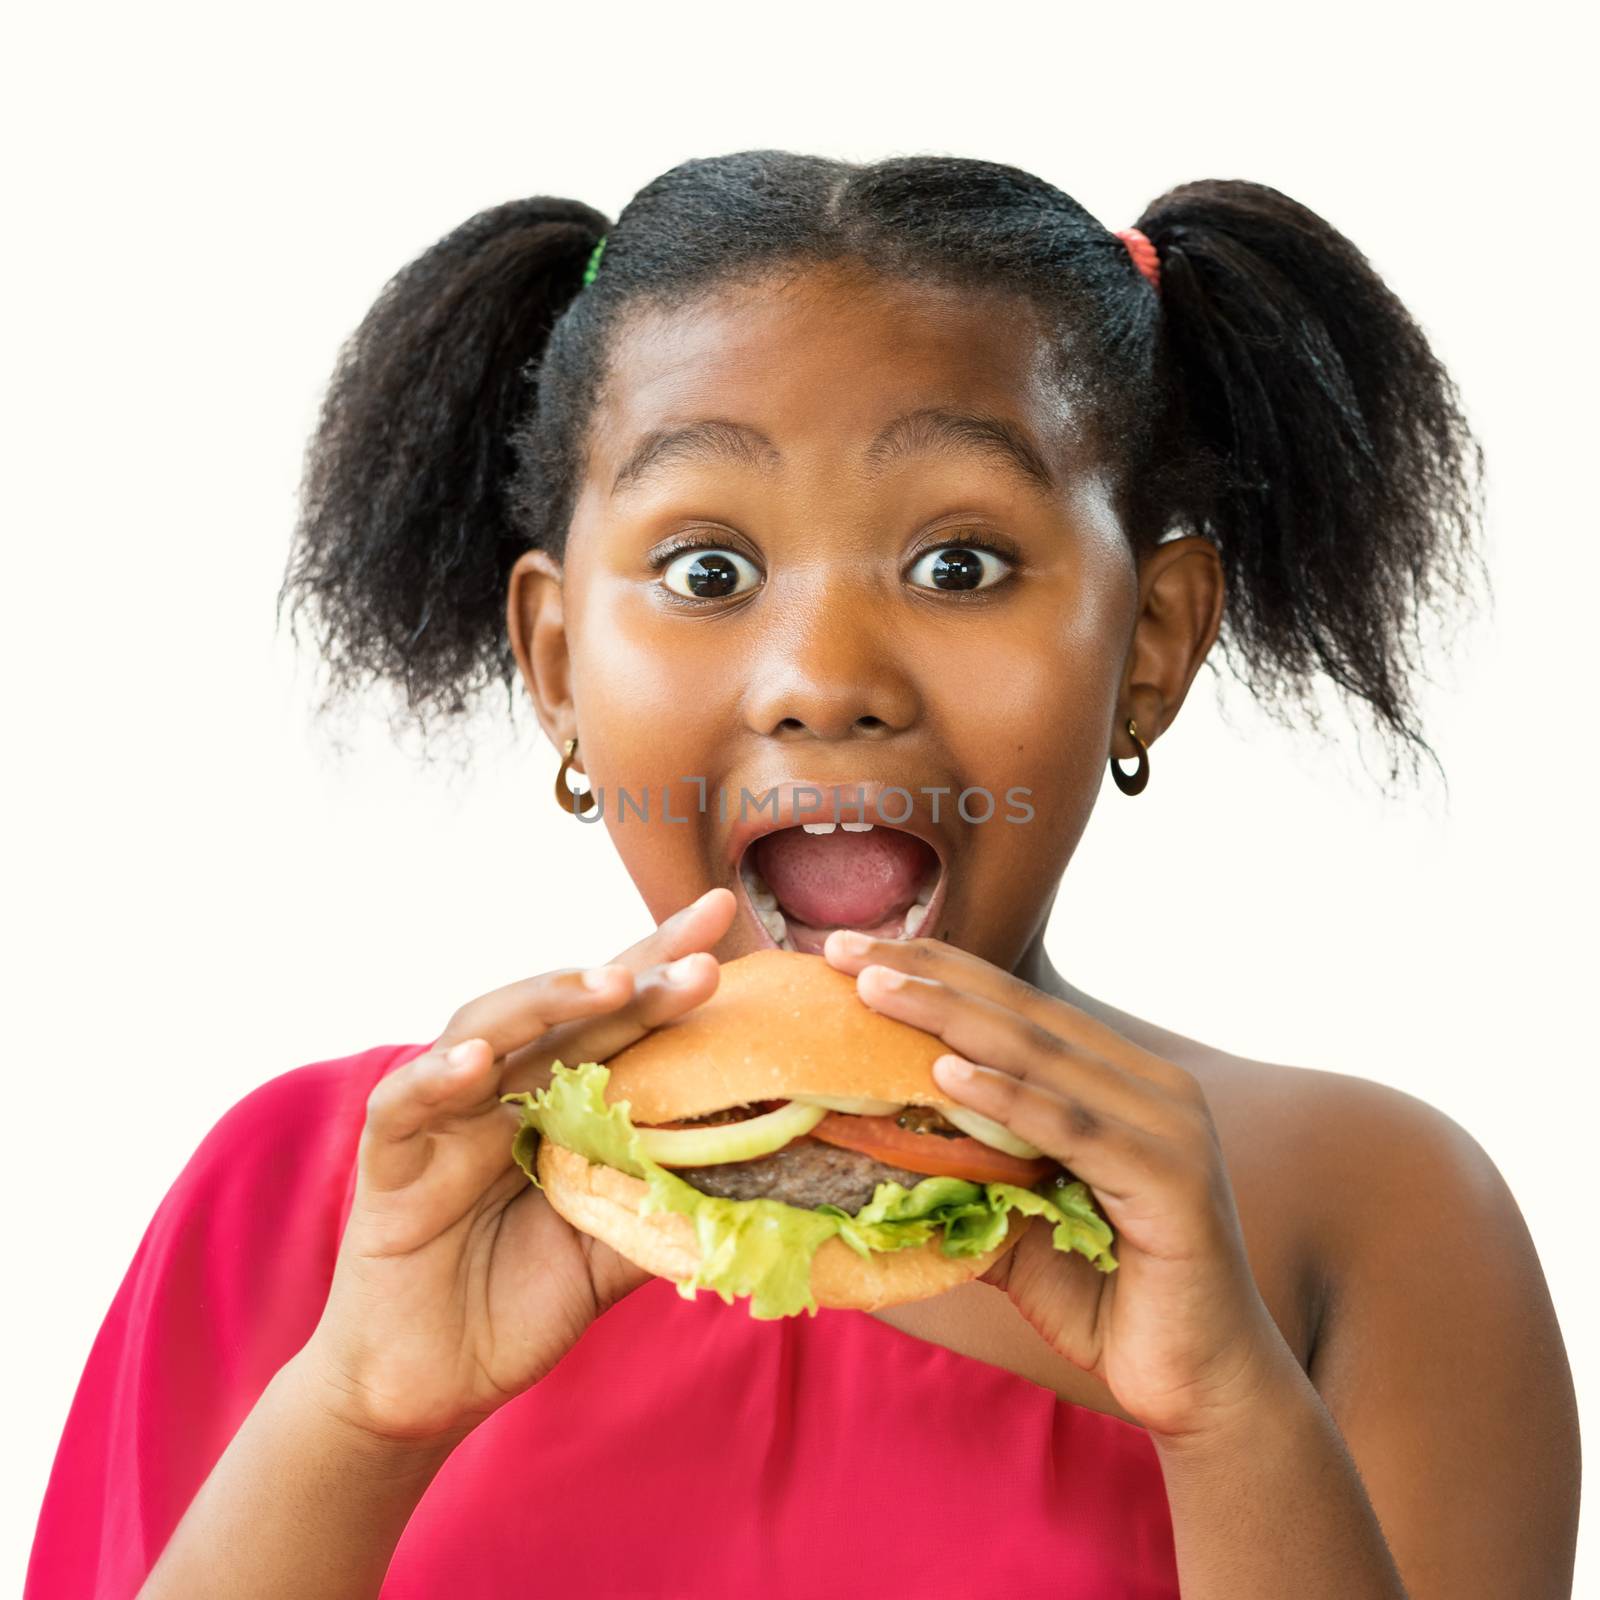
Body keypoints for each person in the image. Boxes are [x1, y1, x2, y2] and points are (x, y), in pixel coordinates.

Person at [25, 151, 1579, 1600]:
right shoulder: (318, 1187)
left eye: (958, 564)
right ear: (559, 663)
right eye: (709, 571)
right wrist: (354, 1414)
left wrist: (1228, 1413)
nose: (821, 678)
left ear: (1152, 644)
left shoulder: (1370, 1209)